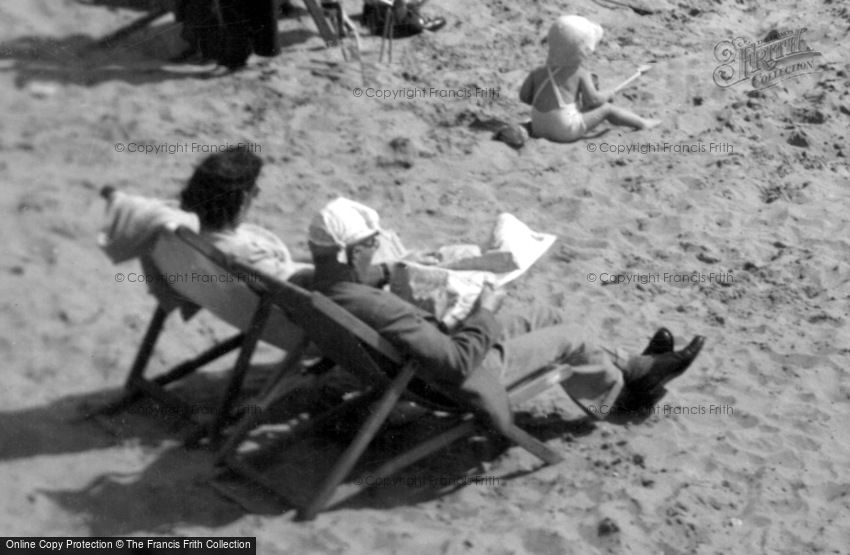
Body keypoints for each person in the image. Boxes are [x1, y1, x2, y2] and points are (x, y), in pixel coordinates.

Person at [307, 197, 705, 431]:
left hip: (421, 361)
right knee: (573, 338)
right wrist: (485, 312)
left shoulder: (318, 287)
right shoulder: (372, 306)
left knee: (546, 315)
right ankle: (623, 402)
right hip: (461, 375)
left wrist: (396, 269)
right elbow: (457, 362)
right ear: (354, 251)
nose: (378, 252)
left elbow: (365, 286)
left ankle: (634, 368)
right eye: (373, 247)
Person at [99, 146, 309, 282]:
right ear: (242, 199)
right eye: (254, 189)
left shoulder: (187, 235)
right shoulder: (245, 257)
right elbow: (295, 283)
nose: (259, 192)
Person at [519, 15, 661, 143]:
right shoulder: (580, 73)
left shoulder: (537, 72)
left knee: (577, 108)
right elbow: (593, 100)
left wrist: (548, 102)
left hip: (538, 126)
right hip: (564, 130)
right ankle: (643, 123)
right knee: (608, 110)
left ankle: (526, 128)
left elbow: (524, 97)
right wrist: (608, 94)